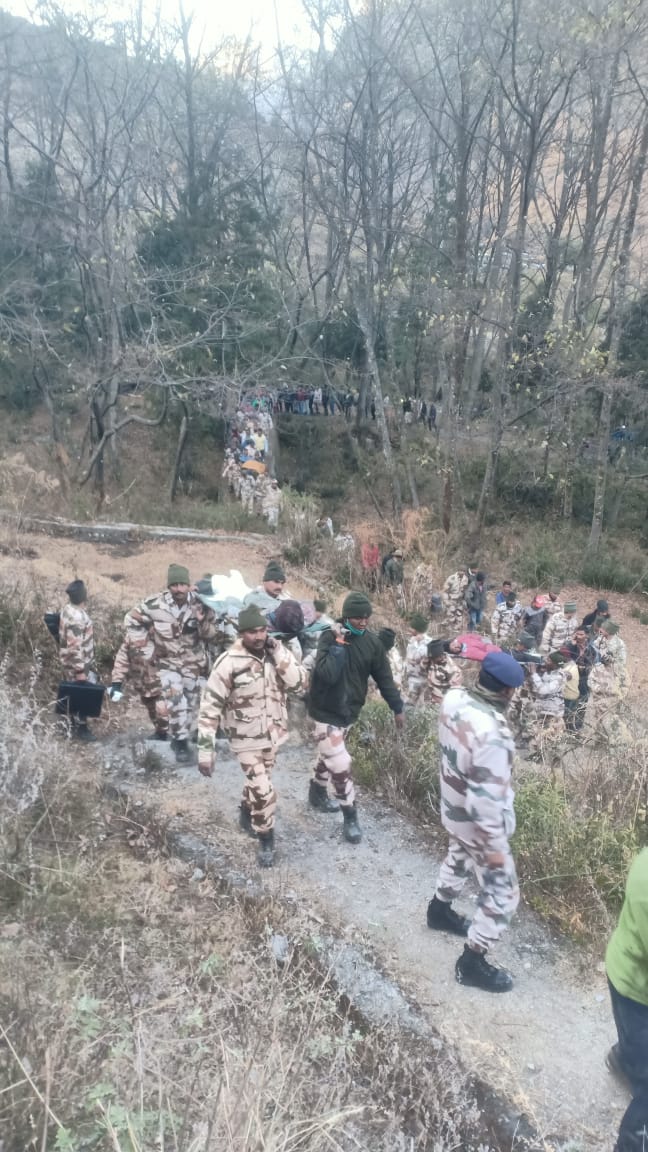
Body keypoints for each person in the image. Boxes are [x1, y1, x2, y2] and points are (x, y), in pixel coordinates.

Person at [426, 651, 524, 993]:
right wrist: (495, 851)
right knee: (504, 893)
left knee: (458, 854)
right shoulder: (494, 735)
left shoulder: (454, 699)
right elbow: (486, 806)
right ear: (509, 692)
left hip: (451, 809)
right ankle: (471, 963)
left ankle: (439, 911)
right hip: (476, 824)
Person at [197, 605, 307, 867]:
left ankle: (247, 811)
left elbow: (299, 684)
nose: (258, 637)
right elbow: (209, 708)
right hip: (245, 740)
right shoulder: (228, 663)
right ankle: (265, 838)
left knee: (259, 783)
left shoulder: (276, 654)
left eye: (262, 630)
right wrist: (205, 750)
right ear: (241, 633)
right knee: (264, 790)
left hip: (273, 736)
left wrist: (279, 652)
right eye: (251, 632)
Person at [306, 591, 404, 842]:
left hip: (349, 712)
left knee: (329, 755)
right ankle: (350, 816)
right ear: (346, 616)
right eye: (357, 617)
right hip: (324, 711)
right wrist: (339, 644)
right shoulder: (329, 638)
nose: (363, 621)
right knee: (340, 763)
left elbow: (384, 678)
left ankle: (316, 793)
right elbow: (327, 674)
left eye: (366, 617)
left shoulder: (372, 643)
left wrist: (397, 707)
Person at [117, 564, 217, 763]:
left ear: (189, 585)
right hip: (167, 664)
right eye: (175, 585)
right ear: (169, 586)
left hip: (193, 665)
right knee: (176, 700)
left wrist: (201, 621)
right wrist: (147, 649)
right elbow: (130, 620)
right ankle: (179, 743)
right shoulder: (154, 605)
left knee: (191, 703)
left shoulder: (202, 603)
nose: (179, 589)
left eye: (182, 585)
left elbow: (211, 635)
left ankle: (183, 737)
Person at [605, 848, 648, 1152]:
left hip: (630, 976)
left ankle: (626, 1060)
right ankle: (633, 1143)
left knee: (636, 1044)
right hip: (634, 988)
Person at [59, 579, 97, 742]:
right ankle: (81, 728)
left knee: (73, 693)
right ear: (84, 596)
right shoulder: (77, 617)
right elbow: (75, 646)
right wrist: (80, 671)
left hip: (70, 661)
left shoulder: (67, 609)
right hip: (78, 663)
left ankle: (71, 723)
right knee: (83, 693)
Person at [528, 651, 567, 752]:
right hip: (542, 711)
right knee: (538, 737)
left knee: (553, 742)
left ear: (555, 664)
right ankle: (539, 756)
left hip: (553, 715)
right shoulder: (548, 672)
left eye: (549, 660)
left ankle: (553, 762)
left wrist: (534, 674)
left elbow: (543, 690)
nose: (545, 661)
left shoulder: (559, 677)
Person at [405, 613, 432, 706]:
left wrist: (414, 645)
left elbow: (415, 658)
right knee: (415, 706)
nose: (409, 629)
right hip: (411, 678)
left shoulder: (429, 644)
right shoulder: (412, 641)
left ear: (417, 629)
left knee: (413, 706)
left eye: (412, 627)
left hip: (421, 680)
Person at [425, 638, 463, 705]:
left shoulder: (451, 668)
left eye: (433, 658)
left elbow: (455, 691)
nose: (431, 659)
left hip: (442, 702)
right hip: (429, 698)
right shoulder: (431, 659)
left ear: (440, 656)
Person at [443, 565, 475, 631]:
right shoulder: (451, 578)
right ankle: (448, 631)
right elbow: (445, 591)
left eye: (463, 571)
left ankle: (456, 632)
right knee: (450, 617)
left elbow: (466, 590)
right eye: (461, 571)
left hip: (460, 602)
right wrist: (446, 601)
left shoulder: (465, 579)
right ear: (458, 570)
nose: (462, 572)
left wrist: (465, 600)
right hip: (451, 601)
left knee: (459, 618)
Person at [561, 643, 581, 732]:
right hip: (572, 697)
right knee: (570, 719)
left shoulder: (569, 670)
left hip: (569, 699)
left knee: (566, 720)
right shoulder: (571, 664)